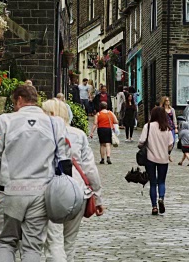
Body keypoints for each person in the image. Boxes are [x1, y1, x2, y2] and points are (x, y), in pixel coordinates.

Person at [0, 85, 72, 262]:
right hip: (41, 191)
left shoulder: (5, 121)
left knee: (6, 242)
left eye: (14, 103)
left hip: (11, 190)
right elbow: (65, 161)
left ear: (20, 100)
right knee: (33, 246)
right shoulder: (55, 124)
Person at [42, 99, 104, 261]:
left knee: (54, 243)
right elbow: (90, 169)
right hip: (78, 192)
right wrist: (97, 198)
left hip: (52, 193)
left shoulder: (42, 133)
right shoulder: (79, 134)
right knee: (69, 242)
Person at [138, 106, 174, 215]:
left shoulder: (148, 126)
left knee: (153, 183)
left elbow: (141, 141)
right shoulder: (167, 128)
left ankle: (154, 206)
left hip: (150, 158)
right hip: (163, 158)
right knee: (161, 181)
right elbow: (170, 145)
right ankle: (161, 198)